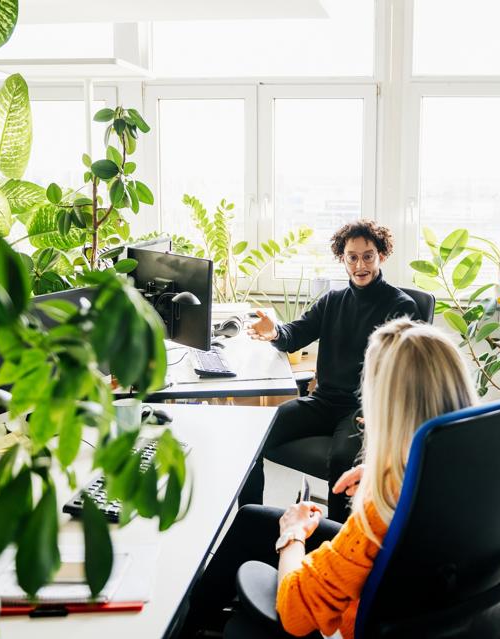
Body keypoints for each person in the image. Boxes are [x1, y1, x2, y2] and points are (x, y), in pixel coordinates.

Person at [180, 318, 477, 638]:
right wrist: (379, 470)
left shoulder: (381, 508)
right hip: (423, 595)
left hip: (362, 603)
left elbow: (294, 612)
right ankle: (196, 618)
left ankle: (188, 625)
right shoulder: (477, 463)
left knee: (277, 531)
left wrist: (292, 535)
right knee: (252, 519)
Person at [240, 219, 420, 521]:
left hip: (363, 409)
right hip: (323, 403)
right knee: (253, 437)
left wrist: (386, 413)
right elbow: (294, 335)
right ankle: (251, 519)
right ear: (342, 258)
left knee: (342, 461)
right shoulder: (333, 301)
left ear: (382, 256)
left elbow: (410, 375)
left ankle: (335, 541)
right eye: (352, 256)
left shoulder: (401, 306)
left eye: (368, 256)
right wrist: (273, 333)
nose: (360, 264)